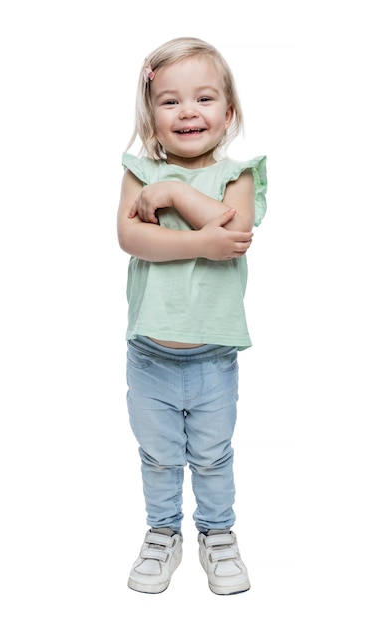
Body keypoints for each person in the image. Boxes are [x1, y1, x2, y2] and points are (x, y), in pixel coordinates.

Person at [117, 36, 267, 595]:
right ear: (150, 116)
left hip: (213, 358)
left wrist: (176, 191)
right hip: (149, 354)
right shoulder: (137, 171)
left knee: (211, 455)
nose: (188, 112)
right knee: (158, 456)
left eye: (203, 99)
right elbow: (132, 239)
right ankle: (162, 533)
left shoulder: (240, 174)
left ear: (228, 114)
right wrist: (199, 239)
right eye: (170, 101)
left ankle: (217, 533)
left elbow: (232, 229)